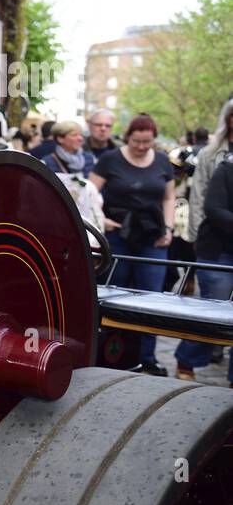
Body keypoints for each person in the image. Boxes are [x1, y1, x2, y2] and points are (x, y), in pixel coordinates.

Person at [89, 113, 176, 376]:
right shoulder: (110, 159)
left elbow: (169, 198)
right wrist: (101, 220)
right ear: (128, 137)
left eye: (147, 142)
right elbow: (89, 194)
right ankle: (110, 353)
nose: (141, 147)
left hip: (152, 236)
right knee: (114, 294)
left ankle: (147, 356)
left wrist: (170, 228)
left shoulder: (162, 161)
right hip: (117, 236)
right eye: (137, 141)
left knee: (152, 298)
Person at [174, 97, 233, 377]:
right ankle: (187, 361)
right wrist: (196, 234)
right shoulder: (212, 154)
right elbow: (199, 198)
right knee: (213, 307)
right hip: (216, 238)